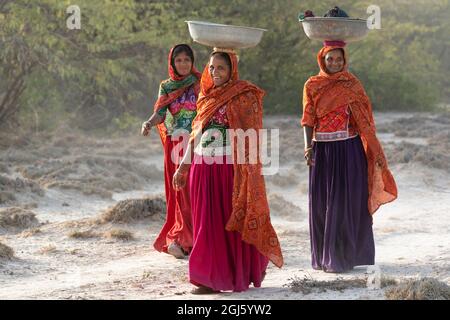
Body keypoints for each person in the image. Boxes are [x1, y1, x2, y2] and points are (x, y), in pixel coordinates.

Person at [173, 50, 283, 294]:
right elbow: (195, 136)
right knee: (206, 223)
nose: (215, 73)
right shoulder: (206, 97)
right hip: (203, 168)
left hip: (230, 169)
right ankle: (207, 277)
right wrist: (183, 166)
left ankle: (241, 270)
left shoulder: (244, 95)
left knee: (230, 222)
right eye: (211, 68)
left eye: (221, 68)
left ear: (232, 69)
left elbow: (251, 136)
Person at [301, 42, 397, 273]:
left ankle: (344, 257)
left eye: (339, 59)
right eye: (330, 59)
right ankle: (325, 257)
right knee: (323, 204)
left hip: (349, 149)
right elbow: (307, 118)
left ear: (345, 61)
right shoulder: (312, 85)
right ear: (321, 60)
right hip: (322, 150)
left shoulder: (352, 84)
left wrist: (373, 150)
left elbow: (364, 119)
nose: (334, 63)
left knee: (345, 203)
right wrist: (307, 147)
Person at [141, 44, 201, 259]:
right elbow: (160, 113)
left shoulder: (201, 82)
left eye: (187, 60)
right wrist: (148, 123)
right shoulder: (166, 86)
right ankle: (182, 238)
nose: (183, 64)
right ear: (172, 63)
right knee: (179, 192)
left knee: (196, 190)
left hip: (198, 143)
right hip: (175, 144)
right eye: (179, 60)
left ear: (193, 61)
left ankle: (199, 237)